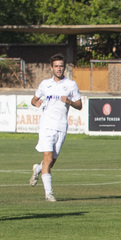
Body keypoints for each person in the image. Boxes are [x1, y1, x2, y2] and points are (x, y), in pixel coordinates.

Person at [28, 54, 83, 202]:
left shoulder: (71, 85)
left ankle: (38, 169)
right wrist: (36, 103)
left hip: (61, 126)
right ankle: (49, 194)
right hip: (46, 125)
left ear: (64, 68)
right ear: (51, 68)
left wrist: (69, 101)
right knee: (47, 157)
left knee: (51, 161)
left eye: (61, 66)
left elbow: (80, 105)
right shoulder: (45, 84)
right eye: (56, 66)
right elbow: (34, 99)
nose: (59, 69)